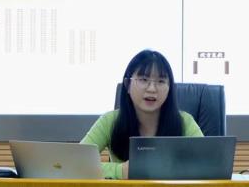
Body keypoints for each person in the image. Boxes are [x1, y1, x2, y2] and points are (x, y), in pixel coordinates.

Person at [81, 49, 203, 179]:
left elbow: (208, 163)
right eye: (144, 79)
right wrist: (120, 171)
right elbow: (76, 163)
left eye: (161, 81)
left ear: (169, 89)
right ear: (127, 84)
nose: (152, 89)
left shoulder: (184, 121)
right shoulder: (109, 121)